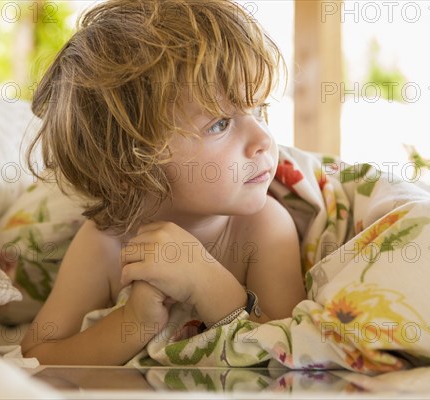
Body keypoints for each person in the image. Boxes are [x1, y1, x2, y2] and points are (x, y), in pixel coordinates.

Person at [21, 0, 306, 365]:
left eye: (259, 110)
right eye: (219, 124)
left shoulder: (262, 227)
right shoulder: (106, 243)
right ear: (128, 166)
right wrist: (134, 323)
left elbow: (288, 356)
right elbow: (37, 356)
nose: (263, 139)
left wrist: (206, 281)